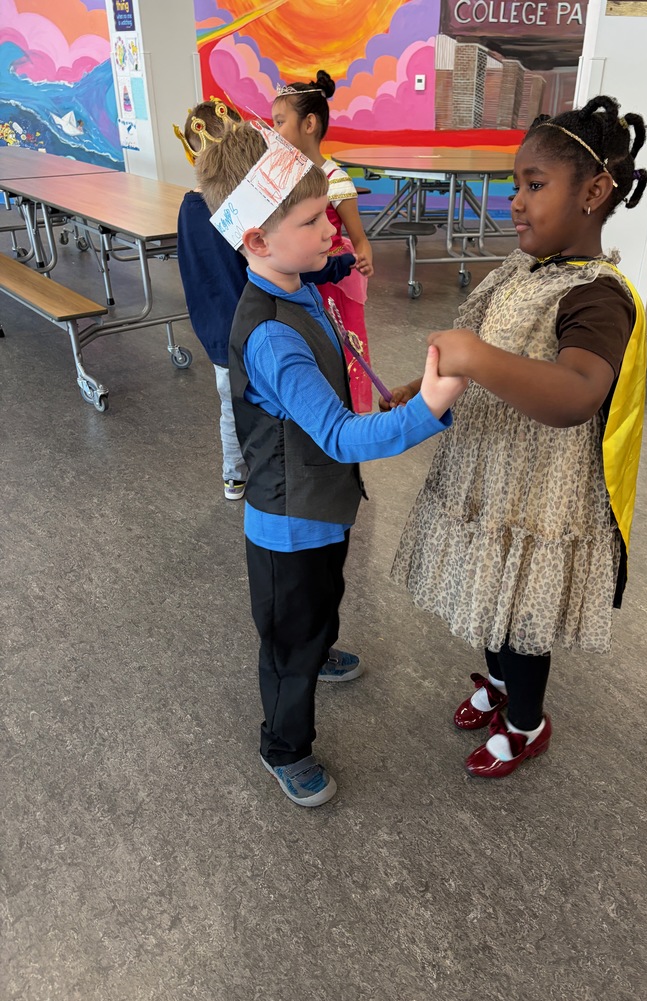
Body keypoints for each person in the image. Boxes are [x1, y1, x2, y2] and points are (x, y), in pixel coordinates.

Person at [195, 119, 466, 807]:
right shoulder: (271, 340)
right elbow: (342, 437)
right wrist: (430, 405)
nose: (333, 232)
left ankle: (319, 645)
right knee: (290, 638)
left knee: (324, 597)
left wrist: (335, 263)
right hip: (289, 523)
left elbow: (322, 270)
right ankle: (283, 746)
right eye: (316, 222)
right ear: (256, 241)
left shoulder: (294, 281)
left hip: (319, 509)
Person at [388, 95, 647, 780]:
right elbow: (467, 345)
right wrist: (409, 391)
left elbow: (577, 392)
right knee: (490, 598)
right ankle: (502, 688)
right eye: (515, 184)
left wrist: (476, 358)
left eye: (535, 185)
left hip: (538, 498)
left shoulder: (598, 296)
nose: (515, 200)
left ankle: (527, 723)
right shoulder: (519, 269)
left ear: (594, 193)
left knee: (519, 617)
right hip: (487, 479)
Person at [174, 99, 357, 501]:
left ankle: (234, 475)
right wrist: (341, 266)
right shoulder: (244, 213)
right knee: (273, 408)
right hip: (252, 329)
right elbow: (290, 264)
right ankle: (267, 476)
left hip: (216, 334)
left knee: (233, 407)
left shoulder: (188, 210)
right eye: (312, 220)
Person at [271, 70, 375, 413]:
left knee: (337, 348)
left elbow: (359, 240)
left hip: (331, 281)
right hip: (296, 276)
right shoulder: (282, 176)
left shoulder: (335, 179)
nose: (274, 130)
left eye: (280, 121)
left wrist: (363, 257)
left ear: (309, 124)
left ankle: (341, 411)